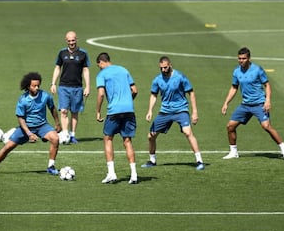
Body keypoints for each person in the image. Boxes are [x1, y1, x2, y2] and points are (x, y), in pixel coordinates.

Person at [0, 72, 61, 176]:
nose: (37, 88)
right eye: (34, 86)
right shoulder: (23, 100)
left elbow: (52, 108)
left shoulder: (45, 96)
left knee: (55, 139)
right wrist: (29, 133)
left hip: (42, 126)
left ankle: (51, 167)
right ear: (28, 86)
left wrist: (57, 123)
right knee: (8, 147)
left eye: (38, 85)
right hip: (26, 127)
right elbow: (21, 119)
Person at [221, 47, 284, 160]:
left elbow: (267, 85)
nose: (241, 61)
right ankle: (233, 152)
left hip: (259, 104)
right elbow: (234, 87)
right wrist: (226, 103)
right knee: (230, 126)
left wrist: (267, 100)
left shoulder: (257, 69)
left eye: (243, 58)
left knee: (266, 126)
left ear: (249, 58)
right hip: (245, 105)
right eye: (239, 58)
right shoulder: (236, 71)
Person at [141, 56, 205, 171]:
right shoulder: (157, 80)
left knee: (187, 132)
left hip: (181, 110)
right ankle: (152, 160)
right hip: (165, 111)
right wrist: (150, 110)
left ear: (170, 65)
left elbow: (191, 93)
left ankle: (199, 161)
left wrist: (194, 112)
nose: (163, 70)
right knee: (151, 136)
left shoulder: (180, 77)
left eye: (165, 67)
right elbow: (153, 95)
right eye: (161, 68)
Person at [96, 52, 138, 184]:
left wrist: (98, 111)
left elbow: (101, 94)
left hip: (114, 111)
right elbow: (135, 90)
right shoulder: (124, 70)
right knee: (127, 141)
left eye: (99, 66)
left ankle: (112, 173)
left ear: (101, 63)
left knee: (108, 138)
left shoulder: (102, 74)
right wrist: (128, 102)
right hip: (129, 110)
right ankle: (134, 174)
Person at [50, 31, 90, 144]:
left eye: (73, 40)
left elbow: (86, 70)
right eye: (69, 40)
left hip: (77, 87)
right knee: (63, 111)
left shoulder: (83, 53)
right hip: (64, 86)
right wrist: (53, 83)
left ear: (76, 39)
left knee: (74, 112)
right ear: (66, 40)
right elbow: (57, 67)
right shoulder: (62, 53)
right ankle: (65, 133)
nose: (71, 42)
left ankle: (72, 135)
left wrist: (88, 86)